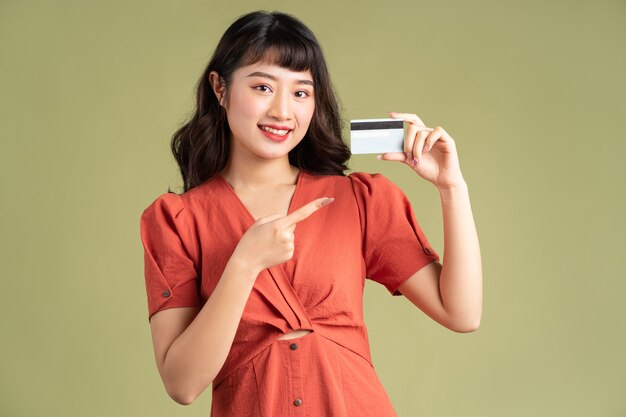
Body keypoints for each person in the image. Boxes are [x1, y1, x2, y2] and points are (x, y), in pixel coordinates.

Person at [139, 10, 482, 416]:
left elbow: (461, 313)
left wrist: (451, 189)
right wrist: (244, 264)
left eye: (301, 92)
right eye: (263, 87)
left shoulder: (358, 201)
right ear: (220, 88)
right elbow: (181, 384)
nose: (283, 112)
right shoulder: (176, 220)